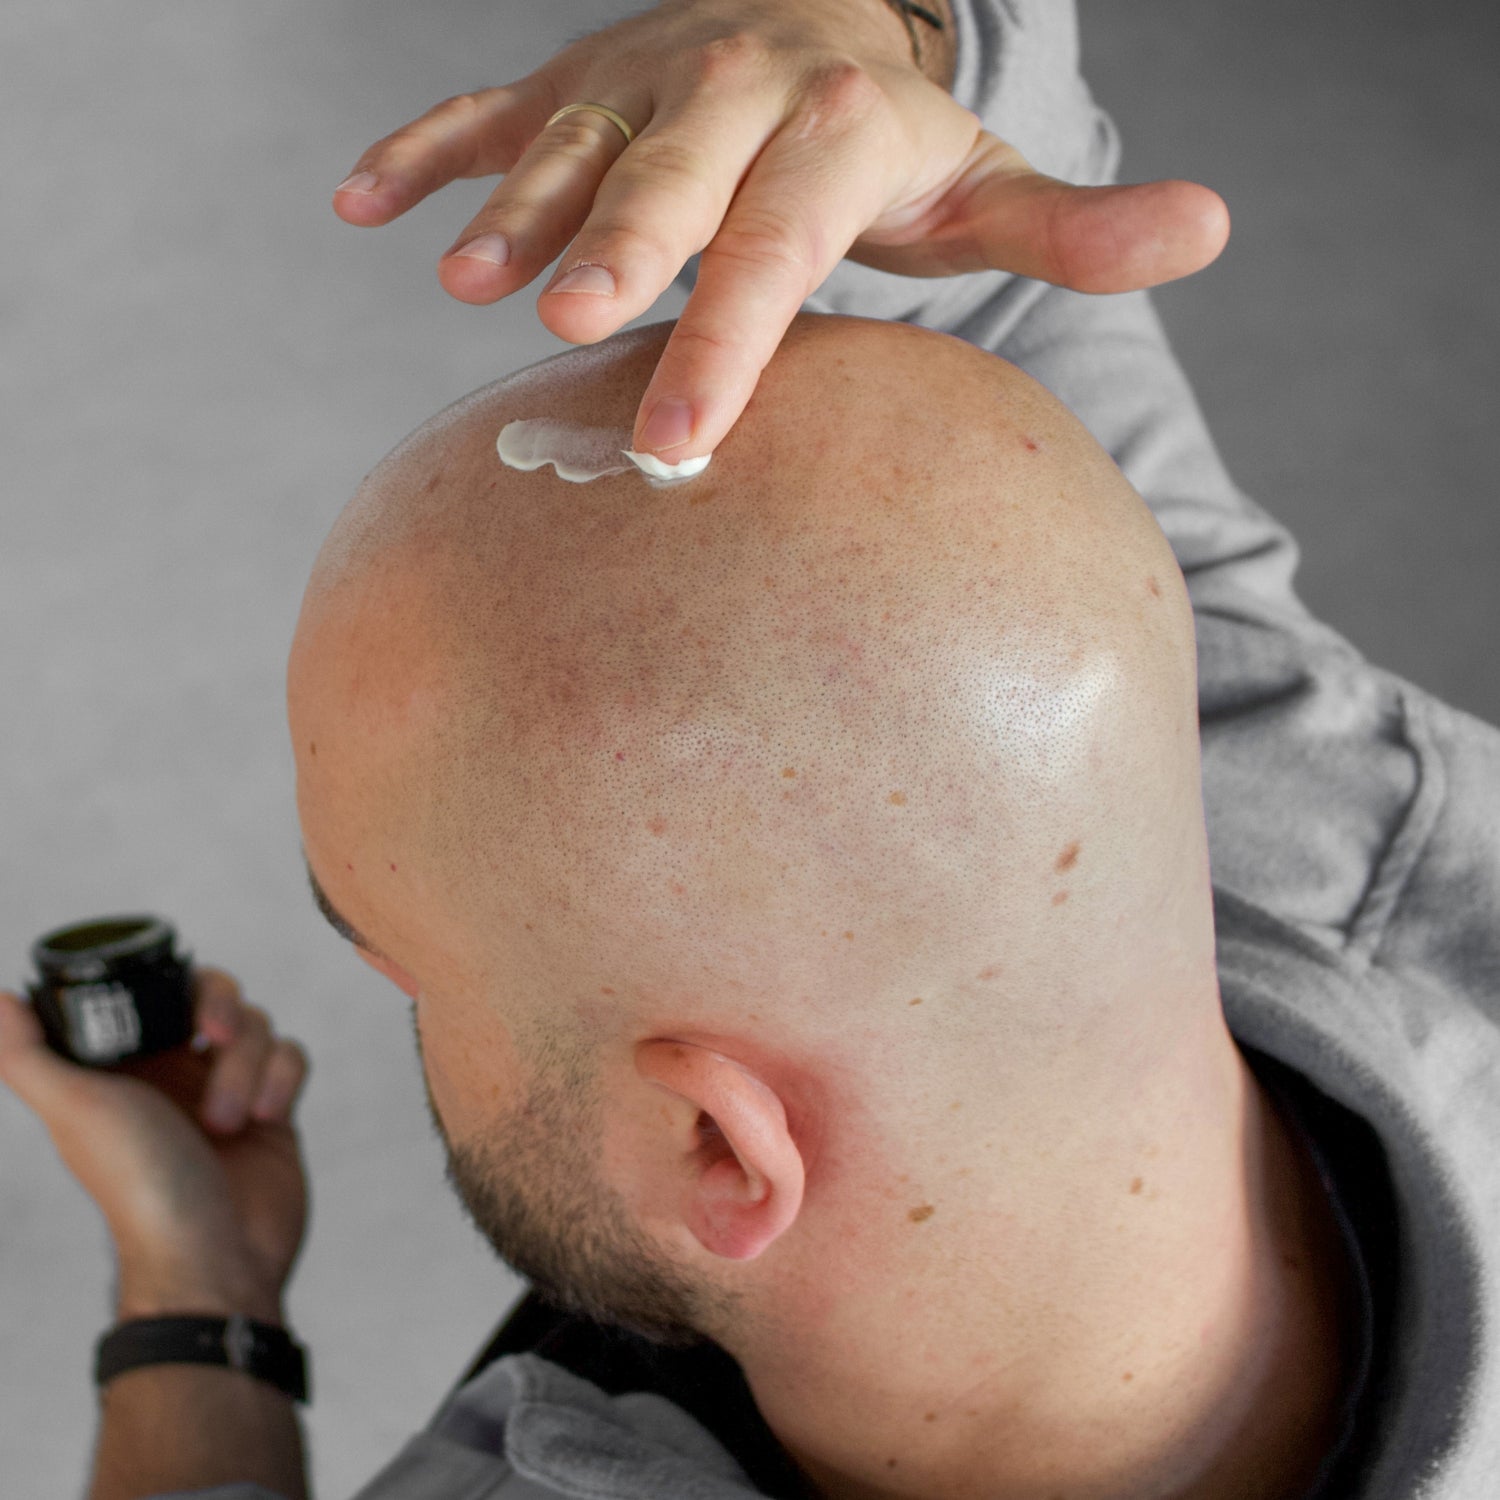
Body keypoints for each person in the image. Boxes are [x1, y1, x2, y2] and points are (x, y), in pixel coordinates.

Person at [1, 4, 1496, 1500]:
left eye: (408, 969)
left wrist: (194, 1300)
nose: (391, 988)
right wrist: (874, 43)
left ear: (721, 1150)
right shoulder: (1299, 773)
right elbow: (1000, 255)